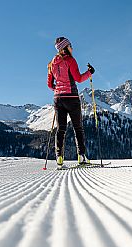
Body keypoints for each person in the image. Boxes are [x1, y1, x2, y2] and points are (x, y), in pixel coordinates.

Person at [47, 37, 95, 167]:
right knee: (78, 128)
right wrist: (89, 73)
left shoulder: (52, 63)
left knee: (61, 129)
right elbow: (78, 79)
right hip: (72, 98)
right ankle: (81, 156)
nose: (72, 48)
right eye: (70, 45)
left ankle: (59, 158)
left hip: (58, 99)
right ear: (65, 48)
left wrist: (58, 89)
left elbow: (50, 85)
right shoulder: (70, 60)